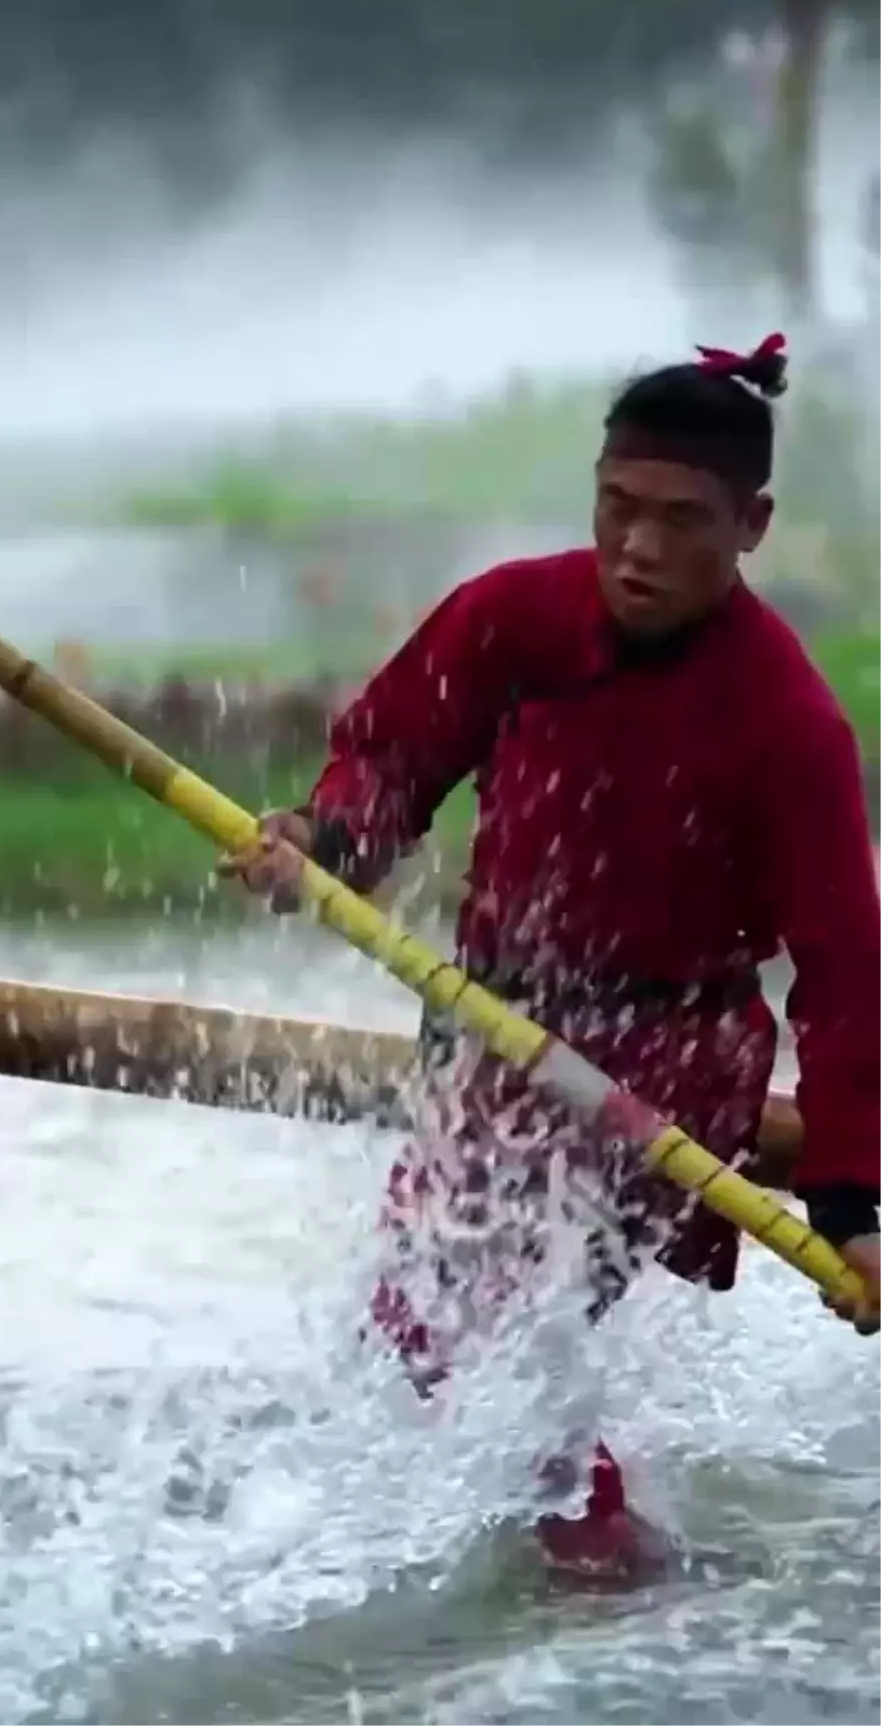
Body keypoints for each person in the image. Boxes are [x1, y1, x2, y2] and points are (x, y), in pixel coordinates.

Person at [222, 332, 881, 1580]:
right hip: (494, 1029)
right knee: (414, 1332)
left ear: (753, 526)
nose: (637, 547)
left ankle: (600, 1567)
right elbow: (390, 759)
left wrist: (853, 1207)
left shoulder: (790, 721)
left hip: (670, 1065)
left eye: (682, 522)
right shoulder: (512, 615)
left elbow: (848, 980)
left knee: (522, 1325)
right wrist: (324, 839)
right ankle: (542, 1558)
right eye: (617, 507)